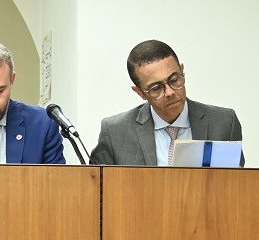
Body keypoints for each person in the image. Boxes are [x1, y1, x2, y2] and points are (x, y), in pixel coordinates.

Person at [90, 39, 243, 166]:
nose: (170, 92)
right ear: (140, 92)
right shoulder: (115, 132)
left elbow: (235, 185)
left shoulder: (224, 123)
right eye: (156, 88)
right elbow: (99, 187)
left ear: (182, 70)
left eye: (174, 80)